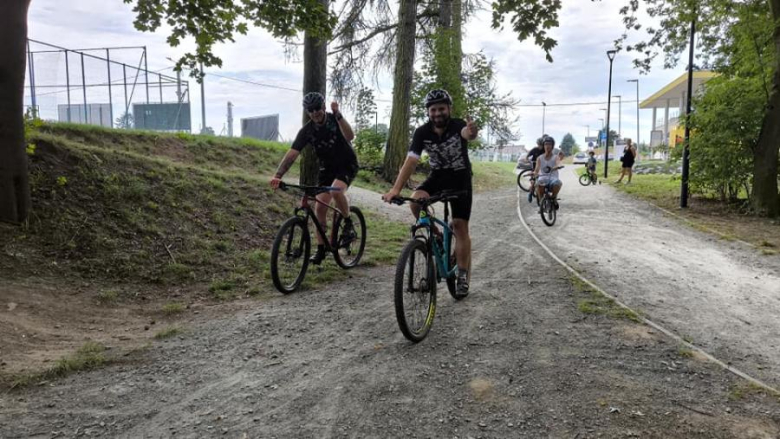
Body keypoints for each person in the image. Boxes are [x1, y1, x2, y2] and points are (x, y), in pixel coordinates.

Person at [381, 89, 479, 297]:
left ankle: (462, 274)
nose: (437, 113)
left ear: (449, 109)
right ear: (428, 112)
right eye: (433, 110)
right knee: (415, 203)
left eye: (441, 109)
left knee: (460, 226)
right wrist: (396, 189)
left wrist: (472, 132)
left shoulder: (458, 125)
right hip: (438, 176)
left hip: (460, 178)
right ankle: (436, 235)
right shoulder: (422, 132)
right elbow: (411, 161)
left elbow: (467, 135)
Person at [269, 92, 359, 265]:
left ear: (324, 107)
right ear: (307, 112)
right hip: (327, 169)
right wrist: (278, 176)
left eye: (317, 108)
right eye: (311, 110)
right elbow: (292, 154)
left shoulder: (335, 119)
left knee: (337, 190)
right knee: (319, 208)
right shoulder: (307, 131)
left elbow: (350, 136)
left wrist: (338, 114)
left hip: (347, 164)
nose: (315, 112)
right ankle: (321, 249)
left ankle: (348, 223)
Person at [534, 136, 563, 211]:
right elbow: (537, 169)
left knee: (558, 183)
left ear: (552, 146)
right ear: (543, 146)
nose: (547, 146)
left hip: (552, 179)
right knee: (538, 184)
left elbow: (558, 163)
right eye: (546, 144)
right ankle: (541, 204)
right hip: (542, 178)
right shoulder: (539, 158)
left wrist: (557, 166)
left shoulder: (555, 157)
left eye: (550, 144)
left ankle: (554, 198)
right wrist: (534, 174)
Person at [525, 136, 546, 203]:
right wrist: (527, 159)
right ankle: (530, 193)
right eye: (539, 145)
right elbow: (527, 155)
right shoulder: (534, 149)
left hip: (542, 168)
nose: (540, 146)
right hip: (534, 167)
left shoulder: (545, 150)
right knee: (533, 181)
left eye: (541, 145)